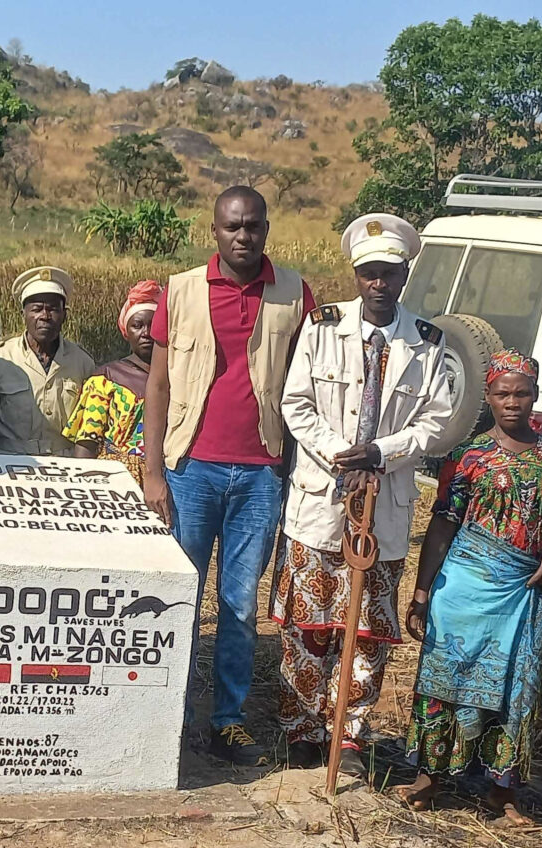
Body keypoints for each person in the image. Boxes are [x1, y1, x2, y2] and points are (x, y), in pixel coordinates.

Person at [273, 214, 456, 774]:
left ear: (405, 276)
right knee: (309, 622)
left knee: (369, 630)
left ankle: (347, 736)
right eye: (369, 273)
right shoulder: (322, 326)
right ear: (357, 275)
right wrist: (341, 452)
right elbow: (295, 403)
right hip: (319, 502)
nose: (379, 282)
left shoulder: (426, 343)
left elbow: (438, 421)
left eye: (390, 273)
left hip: (386, 504)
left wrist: (381, 453)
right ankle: (302, 732)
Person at [142, 185, 313, 766]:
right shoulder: (182, 290)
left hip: (261, 472)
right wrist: (153, 473)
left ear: (267, 229)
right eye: (233, 227)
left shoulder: (295, 294)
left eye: (254, 227)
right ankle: (170, 712)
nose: (244, 236)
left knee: (239, 604)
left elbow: (308, 382)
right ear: (214, 230)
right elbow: (159, 385)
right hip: (191, 469)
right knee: (178, 600)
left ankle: (227, 721)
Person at [400, 350, 542, 826]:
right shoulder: (468, 456)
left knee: (515, 690)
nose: (512, 403)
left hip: (524, 589)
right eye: (503, 393)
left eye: (522, 393)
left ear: (535, 396)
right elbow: (442, 523)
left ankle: (502, 791)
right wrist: (421, 595)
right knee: (447, 680)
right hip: (463, 586)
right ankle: (431, 777)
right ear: (488, 396)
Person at [0, 266, 94, 455]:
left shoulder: (82, 363)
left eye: (53, 309)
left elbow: (89, 428)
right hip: (9, 464)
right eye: (36, 309)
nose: (45, 316)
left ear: (65, 315)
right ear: (23, 315)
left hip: (65, 466)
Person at [64, 280, 159, 481]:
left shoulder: (176, 377)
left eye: (153, 325)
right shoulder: (106, 377)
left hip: (165, 481)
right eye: (137, 326)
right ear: (126, 331)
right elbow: (87, 441)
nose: (146, 333)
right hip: (115, 478)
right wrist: (84, 483)